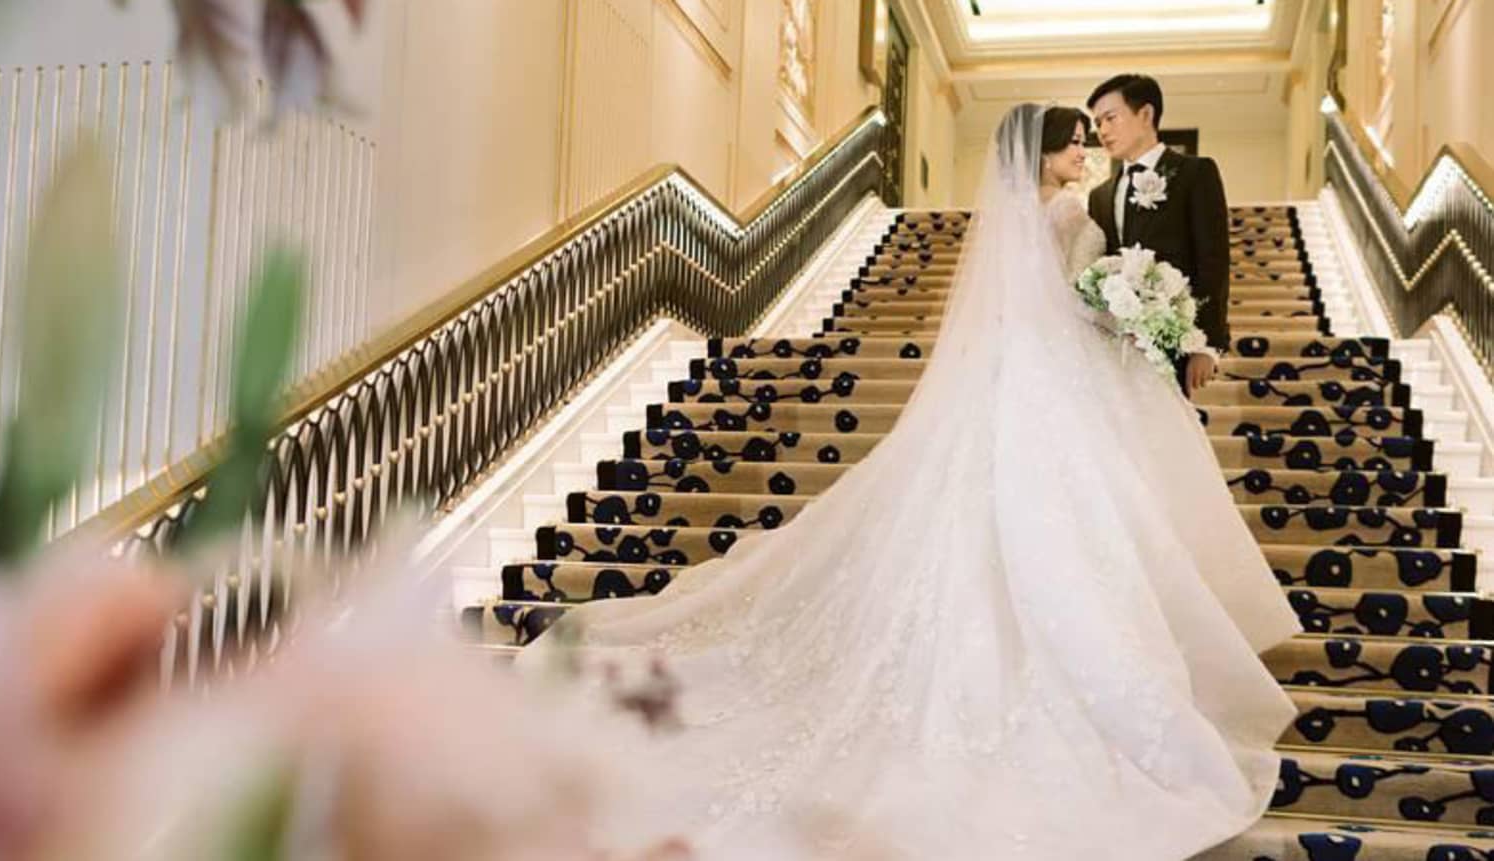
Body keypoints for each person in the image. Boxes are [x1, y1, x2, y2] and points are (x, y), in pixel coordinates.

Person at [517, 102, 1301, 860]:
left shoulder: (1040, 216)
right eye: (1070, 142)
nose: (1083, 151)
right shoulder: (1065, 215)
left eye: (1087, 137)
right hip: (1051, 381)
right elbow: (1064, 304)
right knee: (1060, 522)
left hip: (1025, 380)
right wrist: (1121, 307)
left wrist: (1130, 306)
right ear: (1041, 154)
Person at [1087, 73, 1229, 397]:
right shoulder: (1100, 195)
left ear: (1146, 114)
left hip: (1172, 339)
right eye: (1098, 123)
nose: (1103, 131)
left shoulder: (1195, 173)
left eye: (1111, 118)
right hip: (1116, 346)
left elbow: (1213, 262)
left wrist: (1204, 343)